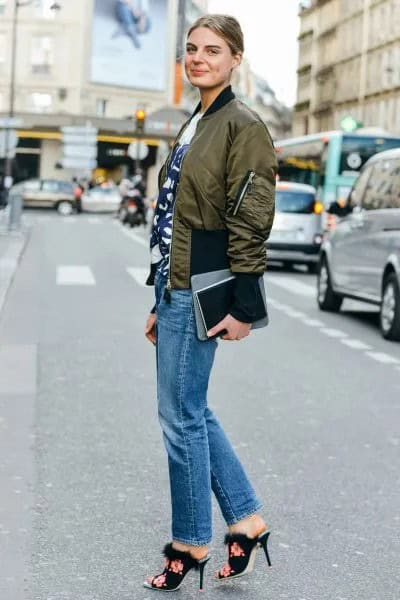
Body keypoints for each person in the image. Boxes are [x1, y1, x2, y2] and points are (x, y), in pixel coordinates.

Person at [143, 14, 277, 592]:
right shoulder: (196, 120)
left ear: (235, 58)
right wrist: (156, 292)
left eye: (213, 50)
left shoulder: (241, 124)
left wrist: (244, 306)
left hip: (205, 284)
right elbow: (170, 214)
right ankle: (245, 521)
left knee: (180, 418)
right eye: (192, 49)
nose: (198, 58)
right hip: (174, 283)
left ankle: (191, 539)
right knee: (189, 409)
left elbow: (250, 216)